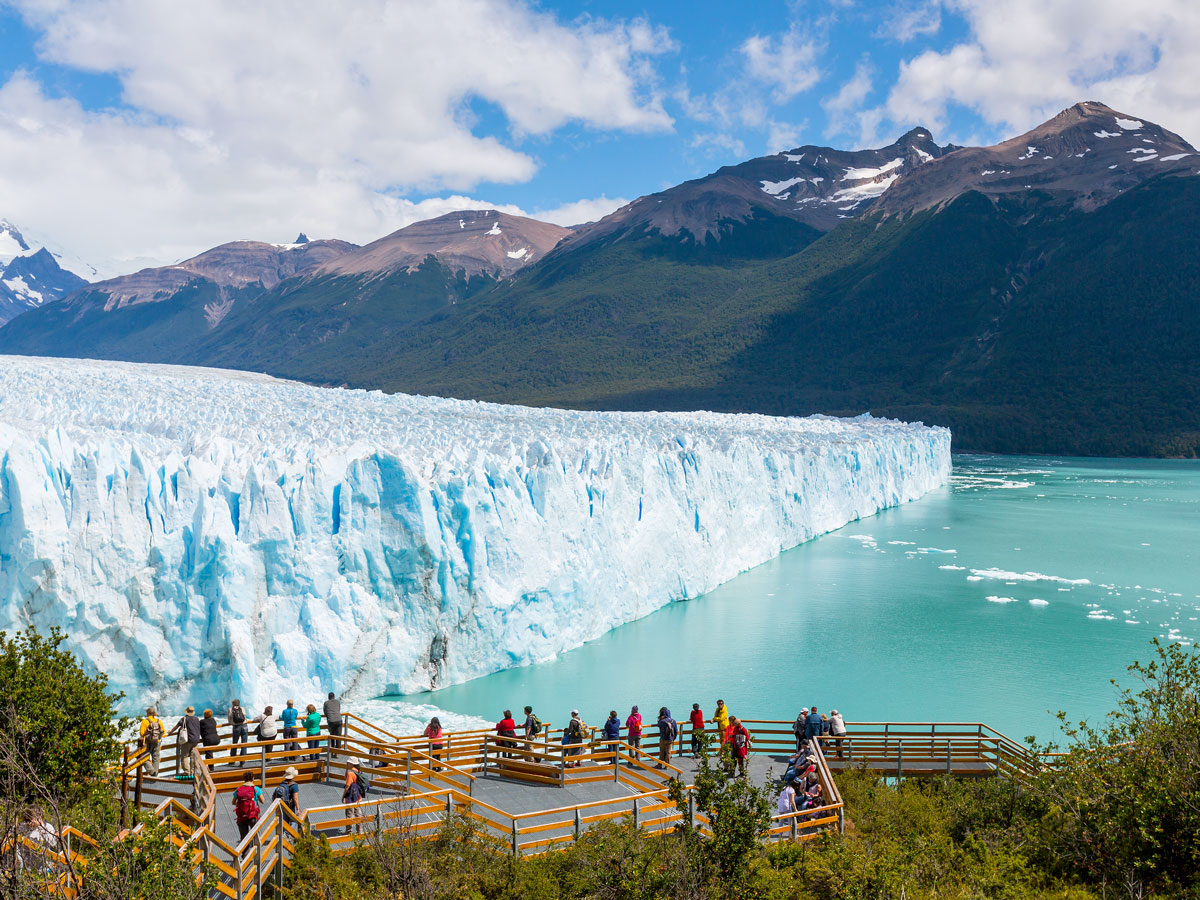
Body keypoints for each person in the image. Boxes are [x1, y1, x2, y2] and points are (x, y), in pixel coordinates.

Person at [169, 706, 202, 777]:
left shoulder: (184, 719)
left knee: (184, 755)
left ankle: (187, 771)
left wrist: (170, 732)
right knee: (193, 756)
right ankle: (193, 771)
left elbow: (176, 726)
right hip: (196, 739)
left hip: (188, 739)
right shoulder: (196, 719)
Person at [233, 772, 260, 841]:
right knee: (256, 834)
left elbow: (233, 802)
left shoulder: (238, 789)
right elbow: (263, 801)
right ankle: (256, 849)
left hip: (242, 816)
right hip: (252, 815)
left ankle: (245, 851)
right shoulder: (255, 789)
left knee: (243, 837)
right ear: (253, 778)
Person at [139, 706, 164, 776]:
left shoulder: (145, 721)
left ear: (148, 713)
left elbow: (141, 733)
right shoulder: (159, 721)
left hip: (147, 742)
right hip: (157, 742)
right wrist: (157, 737)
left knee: (143, 757)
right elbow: (163, 731)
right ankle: (155, 773)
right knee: (156, 758)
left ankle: (151, 771)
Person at [342, 761, 367, 833]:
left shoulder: (351, 773)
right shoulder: (358, 772)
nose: (347, 764)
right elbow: (345, 777)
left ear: (352, 764)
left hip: (351, 797)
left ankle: (348, 831)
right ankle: (360, 830)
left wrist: (343, 796)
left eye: (348, 763)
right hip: (358, 796)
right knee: (358, 814)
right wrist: (346, 769)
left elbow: (347, 786)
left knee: (349, 814)